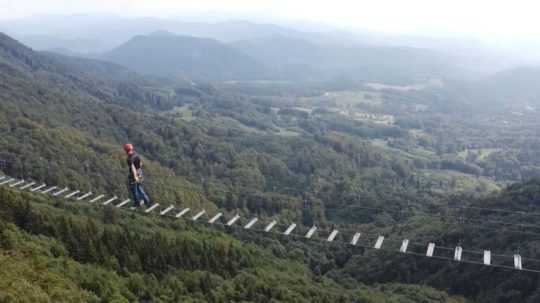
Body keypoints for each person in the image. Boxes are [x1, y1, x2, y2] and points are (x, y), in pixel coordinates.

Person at [123, 143, 152, 208]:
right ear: (132, 148)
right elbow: (140, 163)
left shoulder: (129, 159)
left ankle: (137, 203)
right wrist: (139, 172)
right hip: (140, 172)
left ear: (126, 150)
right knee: (140, 188)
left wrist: (135, 176)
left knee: (134, 189)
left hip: (134, 175)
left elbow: (133, 168)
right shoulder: (136, 154)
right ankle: (147, 201)